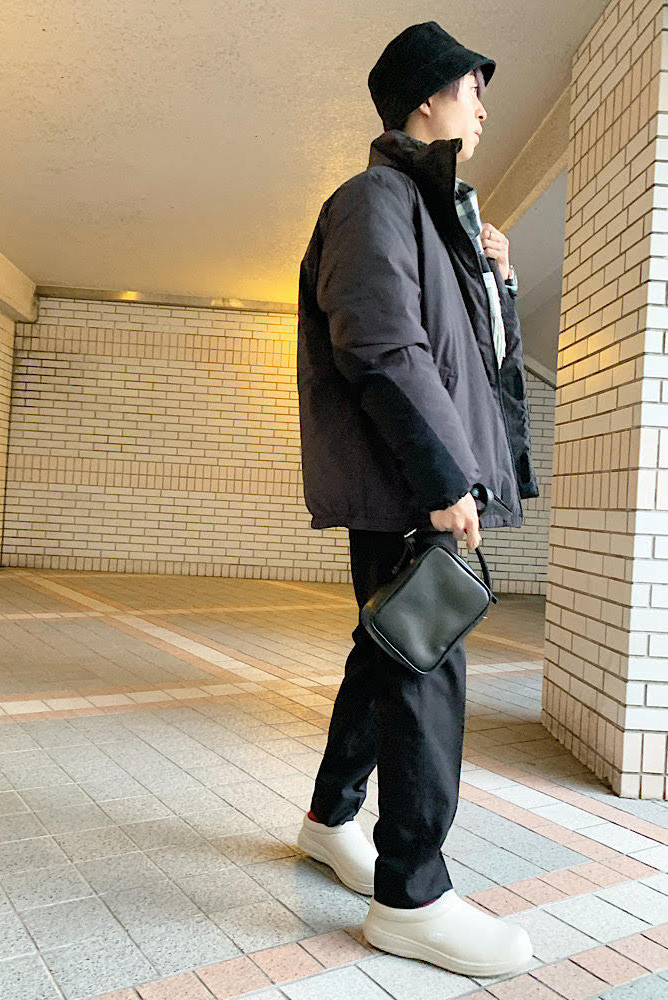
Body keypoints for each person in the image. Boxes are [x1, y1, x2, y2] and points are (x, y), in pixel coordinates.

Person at [295, 21, 539, 977]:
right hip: (411, 483)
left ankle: (329, 819)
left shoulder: (439, 221)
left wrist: (500, 281)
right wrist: (442, 480)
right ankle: (411, 897)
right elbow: (379, 343)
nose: (483, 108)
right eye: (474, 88)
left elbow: (482, 368)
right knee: (425, 671)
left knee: (387, 648)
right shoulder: (374, 200)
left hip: (429, 478)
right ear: (427, 97)